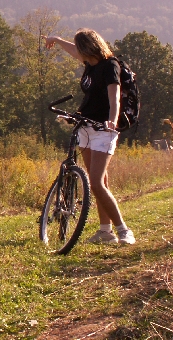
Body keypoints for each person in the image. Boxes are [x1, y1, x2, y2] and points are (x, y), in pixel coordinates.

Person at [44, 28, 136, 245]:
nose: (78, 53)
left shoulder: (109, 65)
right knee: (99, 181)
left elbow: (114, 97)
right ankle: (106, 231)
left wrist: (112, 120)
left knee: (95, 183)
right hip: (86, 127)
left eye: (80, 48)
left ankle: (124, 230)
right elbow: (73, 51)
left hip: (104, 129)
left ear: (88, 48)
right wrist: (56, 40)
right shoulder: (90, 64)